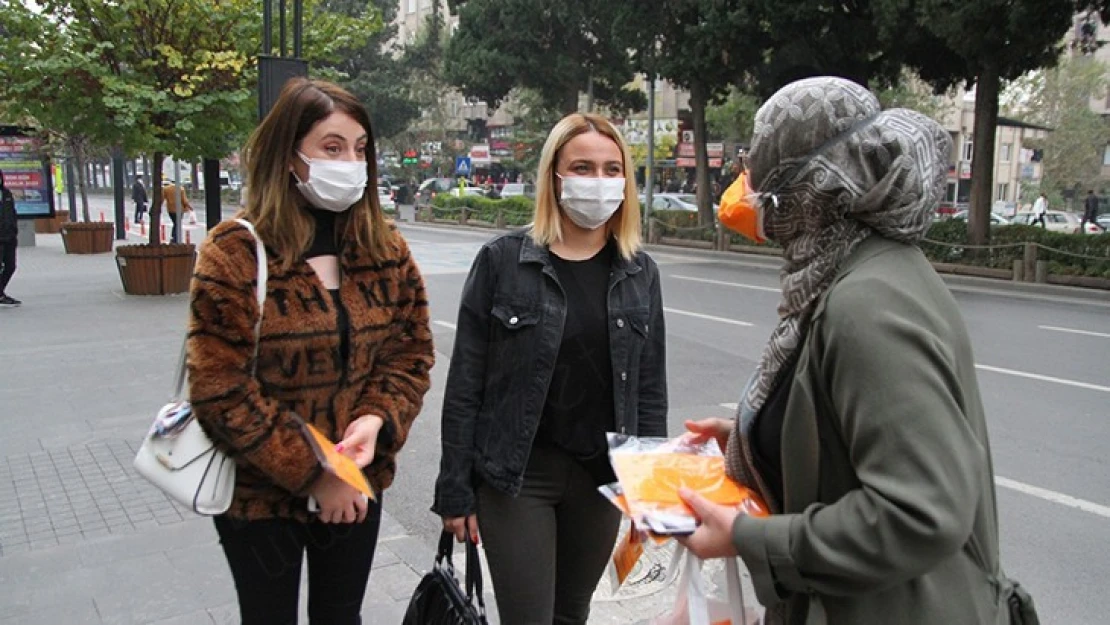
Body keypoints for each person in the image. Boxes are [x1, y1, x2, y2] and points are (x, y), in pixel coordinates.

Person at [679, 77, 1034, 624]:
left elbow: (920, 511)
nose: (746, 190)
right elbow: (847, 437)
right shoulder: (852, 266)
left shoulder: (866, 303)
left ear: (803, 184)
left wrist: (750, 538)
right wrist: (758, 442)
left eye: (760, 172)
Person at [186, 78, 435, 625]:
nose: (351, 162)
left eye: (360, 149)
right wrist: (318, 471)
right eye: (332, 147)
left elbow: (410, 353)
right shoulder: (236, 251)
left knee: (340, 617)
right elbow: (217, 387)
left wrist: (376, 419)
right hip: (259, 496)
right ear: (290, 155)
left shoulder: (382, 246)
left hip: (357, 483)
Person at [433, 112, 668, 624]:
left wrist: (654, 492)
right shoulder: (502, 261)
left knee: (571, 615)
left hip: (600, 479)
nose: (599, 181)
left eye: (612, 169)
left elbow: (649, 390)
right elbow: (466, 384)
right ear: (554, 176)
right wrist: (455, 488)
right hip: (518, 480)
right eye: (582, 166)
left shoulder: (639, 271)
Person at [0, 170, 19, 308]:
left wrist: (14, 230)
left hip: (9, 237)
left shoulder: (6, 194)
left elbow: (12, 213)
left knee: (10, 266)